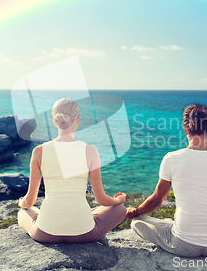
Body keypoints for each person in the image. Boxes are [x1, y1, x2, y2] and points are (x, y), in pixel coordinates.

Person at [125, 103, 207, 257]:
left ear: (185, 129)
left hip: (182, 245)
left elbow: (156, 201)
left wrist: (135, 211)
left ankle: (174, 225)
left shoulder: (171, 159)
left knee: (136, 223)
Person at [18, 98, 127, 243]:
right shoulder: (91, 151)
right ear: (78, 118)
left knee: (22, 212)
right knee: (120, 209)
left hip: (45, 233)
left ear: (54, 119)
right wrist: (118, 199)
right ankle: (84, 215)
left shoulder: (39, 151)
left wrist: (21, 203)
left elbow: (29, 202)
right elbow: (101, 199)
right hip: (85, 233)